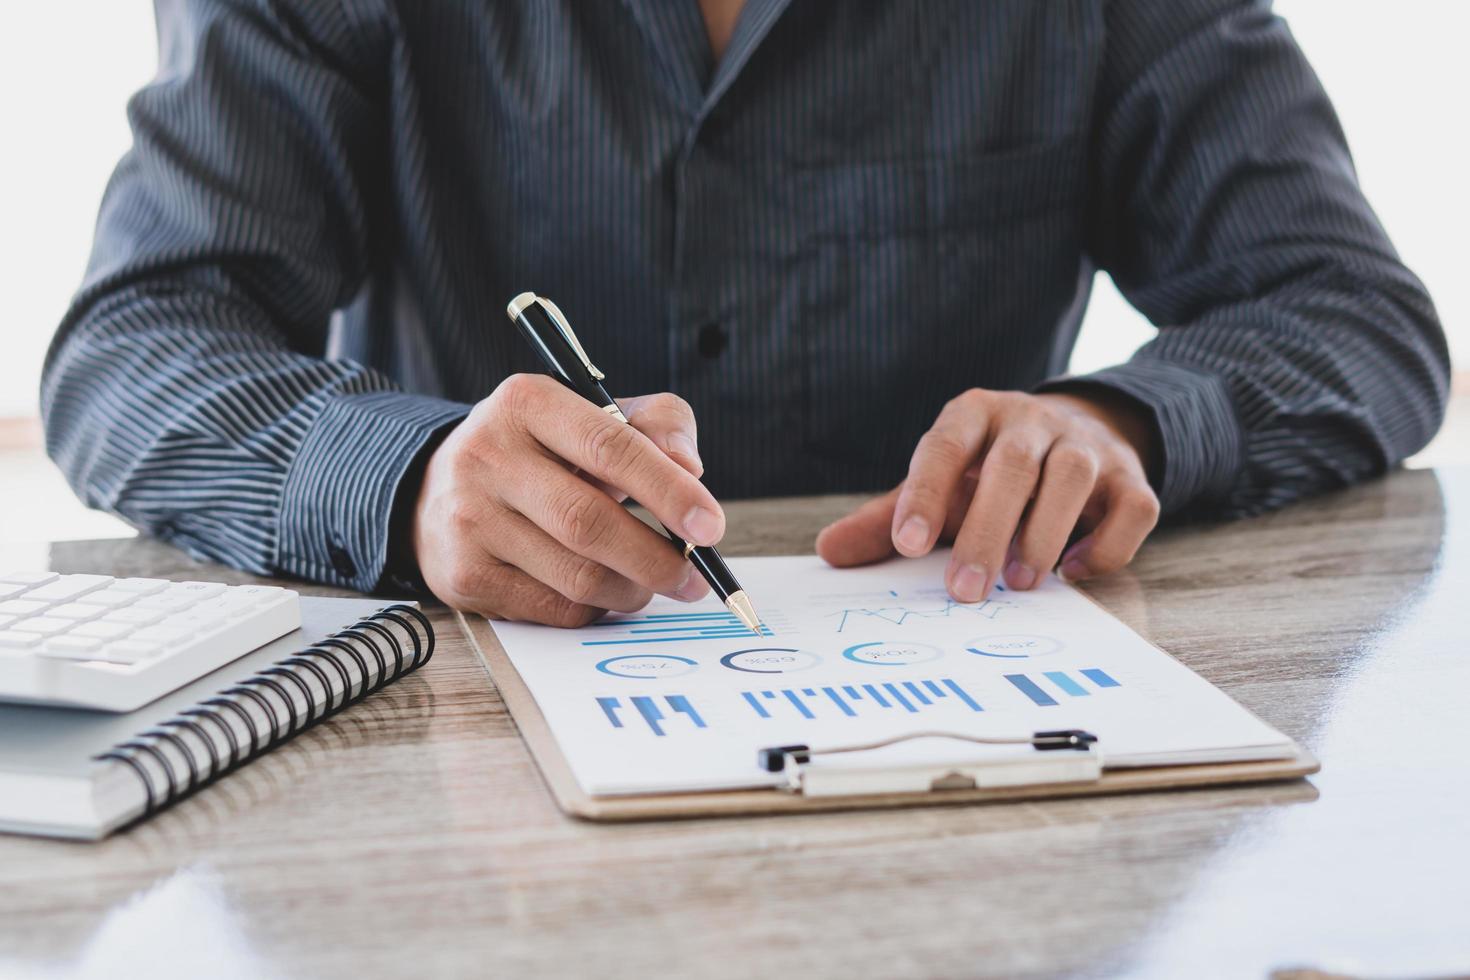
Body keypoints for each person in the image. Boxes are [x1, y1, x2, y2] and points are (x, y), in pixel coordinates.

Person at [42, 0, 1448, 627]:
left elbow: (1352, 312)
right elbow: (136, 345)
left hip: (966, 763)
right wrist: (407, 483)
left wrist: (1120, 418)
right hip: (463, 766)